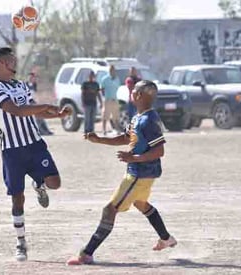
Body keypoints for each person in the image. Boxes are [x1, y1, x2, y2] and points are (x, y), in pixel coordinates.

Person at [67, 80, 177, 265]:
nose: (131, 93)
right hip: (141, 174)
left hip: (139, 174)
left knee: (110, 209)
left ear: (140, 95)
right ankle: (166, 239)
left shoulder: (149, 120)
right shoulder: (138, 117)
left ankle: (87, 253)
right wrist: (99, 140)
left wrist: (134, 158)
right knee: (141, 203)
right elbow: (126, 138)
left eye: (134, 91)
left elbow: (159, 151)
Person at [0, 47, 71, 261]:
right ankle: (21, 242)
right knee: (17, 198)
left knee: (55, 183)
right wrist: (45, 106)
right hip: (12, 151)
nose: (15, 63)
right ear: (2, 63)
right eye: (12, 60)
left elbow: (33, 108)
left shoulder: (20, 85)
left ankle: (39, 184)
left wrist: (57, 114)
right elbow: (15, 110)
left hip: (34, 145)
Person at [101, 65, 121, 135]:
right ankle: (104, 130)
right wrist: (106, 97)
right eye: (111, 70)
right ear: (109, 70)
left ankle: (117, 129)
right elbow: (102, 89)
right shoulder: (105, 79)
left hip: (114, 99)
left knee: (116, 116)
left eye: (113, 70)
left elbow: (118, 87)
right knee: (105, 115)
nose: (112, 71)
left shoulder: (117, 79)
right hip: (107, 99)